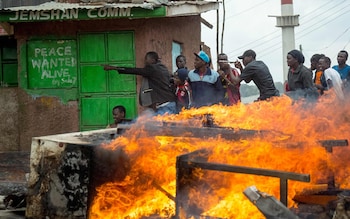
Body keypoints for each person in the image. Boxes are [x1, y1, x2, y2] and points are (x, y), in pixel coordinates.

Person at [103, 51, 177, 115]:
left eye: (146, 59)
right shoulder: (162, 67)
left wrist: (115, 68)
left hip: (164, 105)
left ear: (152, 60)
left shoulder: (152, 68)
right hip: (170, 102)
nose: (145, 61)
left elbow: (135, 70)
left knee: (163, 127)